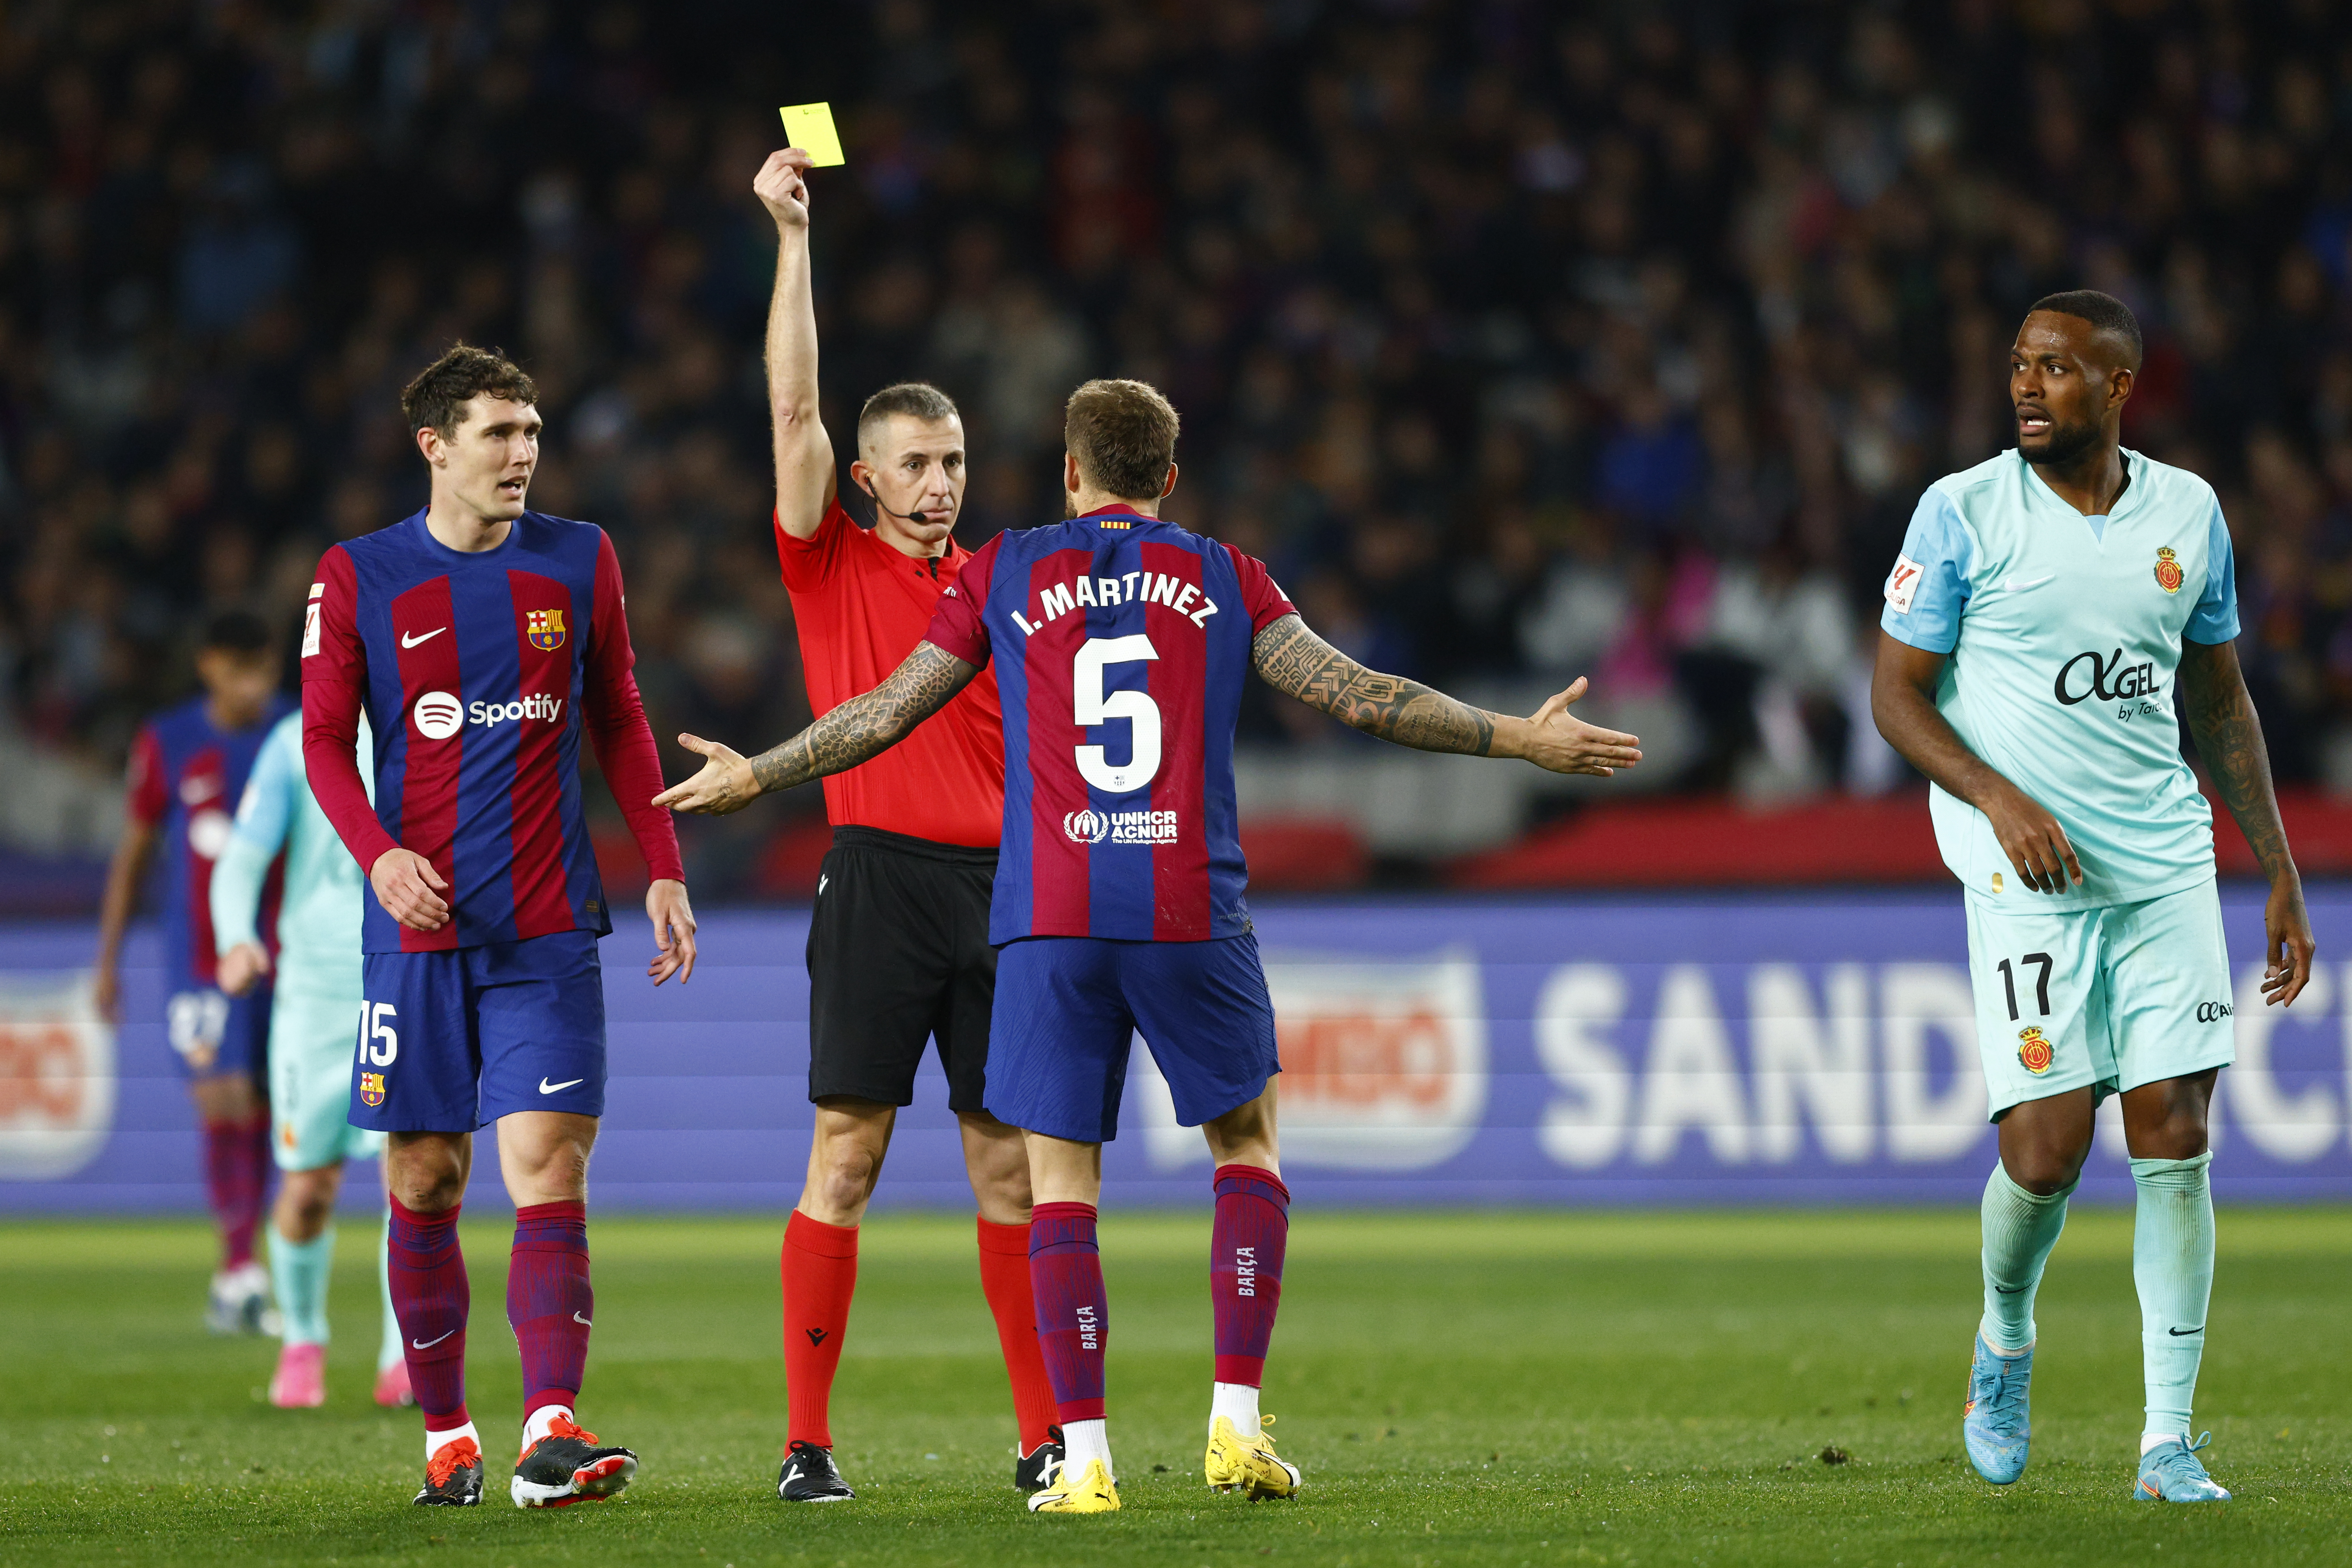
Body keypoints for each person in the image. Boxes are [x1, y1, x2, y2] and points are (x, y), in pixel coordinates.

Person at [657, 378, 1641, 1514]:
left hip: (1044, 917)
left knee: (1057, 1179)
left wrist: (760, 772)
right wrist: (1518, 736)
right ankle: (1233, 1423)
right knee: (1246, 1147)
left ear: (1069, 473)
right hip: (1186, 908)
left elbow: (885, 708)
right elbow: (1361, 697)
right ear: (1169, 478)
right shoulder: (1227, 575)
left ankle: (1081, 1457)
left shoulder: (1006, 567)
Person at [1871, 290, 2315, 1505]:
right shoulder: (1960, 513)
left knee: (2173, 1129)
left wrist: (2275, 865)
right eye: (2018, 363)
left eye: (2056, 368)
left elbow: (2217, 701)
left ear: (2118, 388)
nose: (2026, 384)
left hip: (2163, 865)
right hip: (2028, 880)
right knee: (2047, 1151)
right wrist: (1998, 800)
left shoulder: (2189, 513)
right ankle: (2003, 1336)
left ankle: (2165, 1439)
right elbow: (1897, 696)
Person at [301, 343, 699, 1509]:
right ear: (435, 446)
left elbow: (619, 713)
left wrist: (662, 865)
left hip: (546, 925)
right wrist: (379, 859)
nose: (523, 453)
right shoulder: (358, 574)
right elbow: (324, 739)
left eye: (531, 432)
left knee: (545, 1163)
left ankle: (551, 1429)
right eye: (498, 434)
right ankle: (447, 1437)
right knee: (425, 1180)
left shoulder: (580, 559)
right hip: (418, 931)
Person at [750, 146, 1059, 1503]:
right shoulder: (826, 557)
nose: (941, 481)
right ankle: (806, 1441)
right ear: (864, 477)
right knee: (849, 1151)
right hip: (875, 875)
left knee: (1007, 1161)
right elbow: (795, 400)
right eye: (916, 463)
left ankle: (1044, 1436)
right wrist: (793, 240)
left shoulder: (1000, 577)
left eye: (954, 461)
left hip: (1003, 886)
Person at [94, 609, 291, 1336]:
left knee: (265, 1106)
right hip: (198, 956)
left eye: (263, 670)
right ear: (209, 664)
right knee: (224, 1098)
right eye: (239, 669)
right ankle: (239, 1266)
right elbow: (135, 850)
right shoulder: (169, 740)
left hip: (281, 950)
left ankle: (238, 1272)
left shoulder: (296, 731)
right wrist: (108, 959)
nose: (252, 686)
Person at [212, 704, 412, 1410]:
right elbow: (241, 857)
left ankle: (403, 1357)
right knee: (308, 1188)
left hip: (402, 975)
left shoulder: (431, 711)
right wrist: (236, 936)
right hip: (314, 999)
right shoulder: (294, 741)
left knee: (413, 1175)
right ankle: (303, 1340)